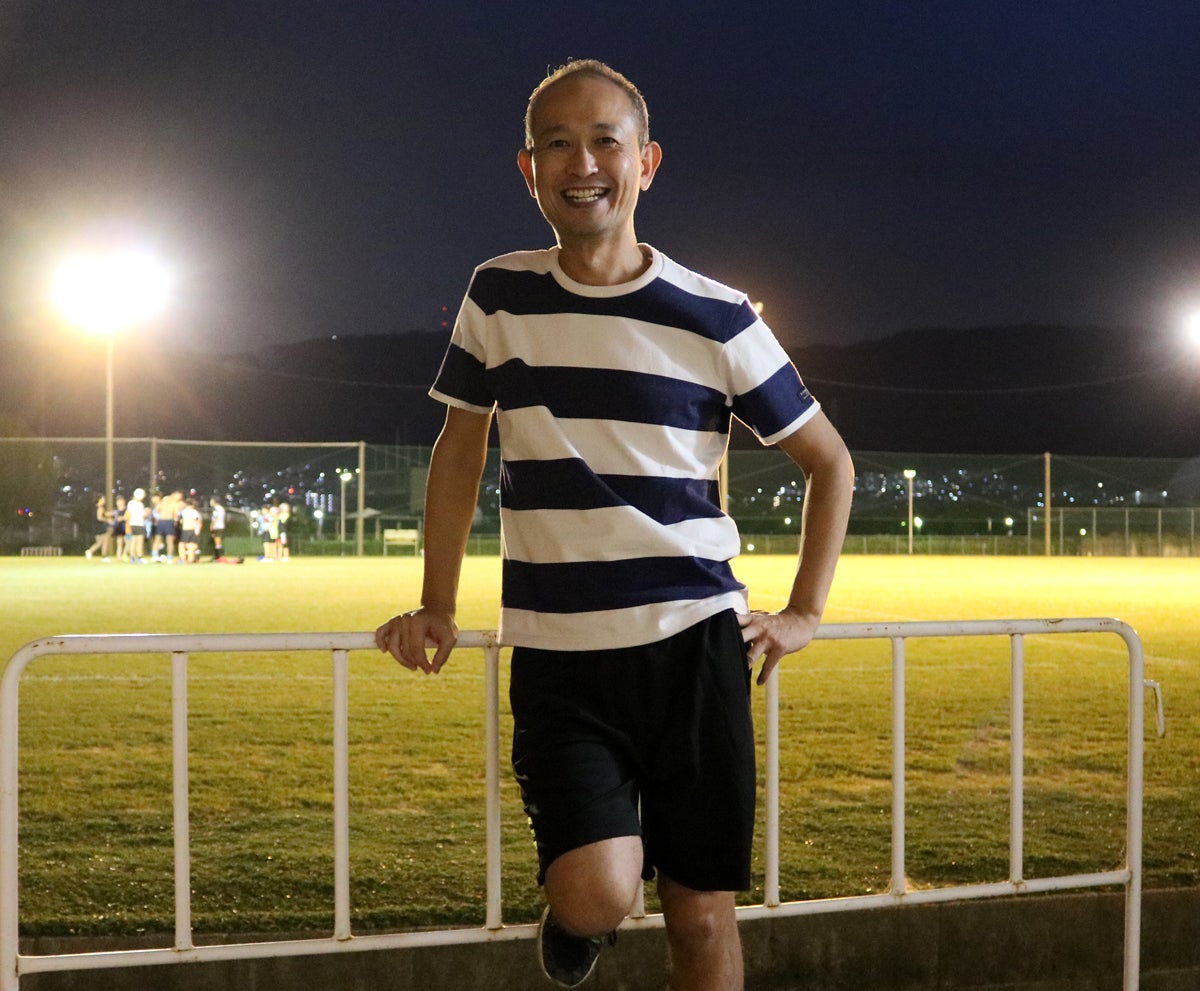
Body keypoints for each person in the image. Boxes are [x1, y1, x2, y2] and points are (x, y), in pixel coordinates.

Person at [375, 60, 854, 991]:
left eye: (606, 141)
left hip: (694, 646)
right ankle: (580, 919)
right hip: (560, 654)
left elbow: (828, 461)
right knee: (597, 893)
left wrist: (805, 612)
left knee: (702, 913)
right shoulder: (497, 293)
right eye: (558, 143)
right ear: (529, 170)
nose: (583, 162)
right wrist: (437, 602)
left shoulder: (717, 314)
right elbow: (459, 450)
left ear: (647, 162)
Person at [84, 495, 112, 560]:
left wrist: (114, 513)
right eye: (103, 499)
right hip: (100, 526)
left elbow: (105, 514)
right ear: (99, 500)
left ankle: (90, 551)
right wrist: (107, 520)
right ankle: (104, 557)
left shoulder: (96, 507)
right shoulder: (100, 508)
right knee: (105, 541)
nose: (104, 500)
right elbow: (99, 517)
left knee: (99, 542)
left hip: (95, 526)